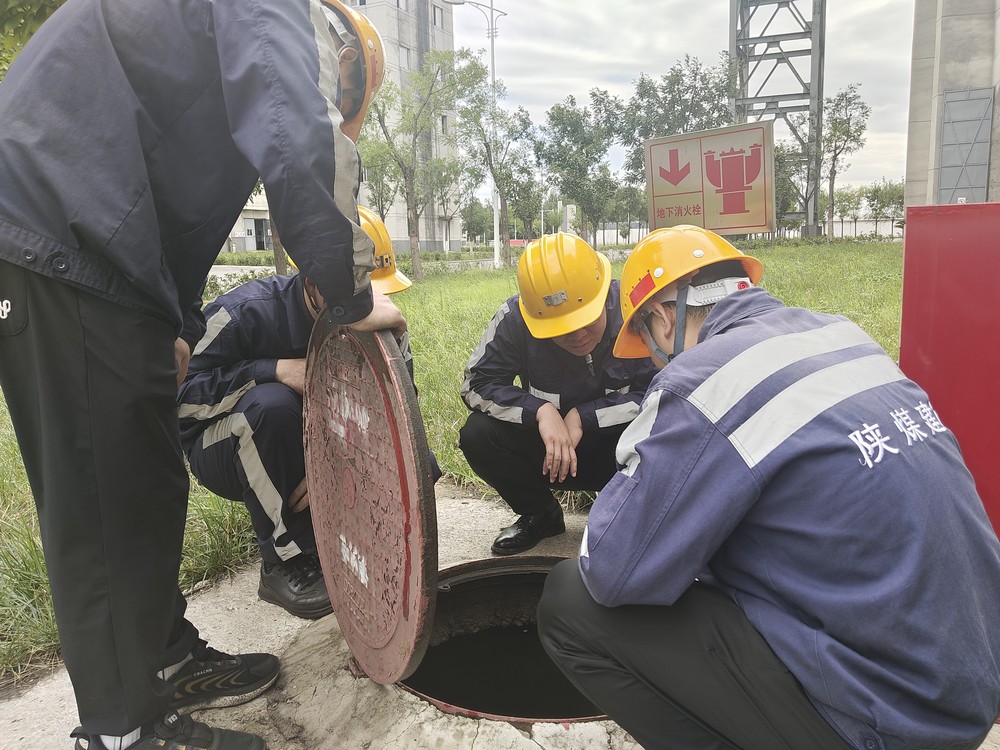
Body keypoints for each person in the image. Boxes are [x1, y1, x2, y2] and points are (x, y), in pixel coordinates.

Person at [0, 1, 402, 749]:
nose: (334, 114)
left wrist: (174, 323)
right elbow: (293, 136)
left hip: (100, 253)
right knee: (102, 499)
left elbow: (164, 182)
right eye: (343, 102)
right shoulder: (273, 9)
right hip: (56, 233)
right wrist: (348, 294)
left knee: (146, 480)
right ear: (340, 55)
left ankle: (163, 657)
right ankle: (123, 731)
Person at [537, 225, 1000, 750]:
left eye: (647, 341)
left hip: (881, 723)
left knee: (569, 602)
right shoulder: (843, 336)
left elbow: (612, 568)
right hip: (965, 694)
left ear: (662, 318)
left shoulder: (707, 379)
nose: (652, 356)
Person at [178, 207, 432, 620]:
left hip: (317, 442)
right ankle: (284, 559)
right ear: (312, 284)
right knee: (271, 407)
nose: (367, 310)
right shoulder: (244, 312)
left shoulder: (378, 321)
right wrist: (272, 370)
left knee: (424, 466)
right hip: (226, 443)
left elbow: (399, 420)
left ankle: (338, 529)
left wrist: (397, 344)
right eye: (355, 301)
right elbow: (178, 399)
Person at [459, 232, 657, 556]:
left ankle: (633, 518)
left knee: (669, 433)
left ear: (604, 293)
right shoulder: (514, 318)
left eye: (587, 320)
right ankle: (541, 514)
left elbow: (665, 390)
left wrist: (585, 417)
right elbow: (477, 383)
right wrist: (539, 411)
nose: (578, 336)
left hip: (619, 451)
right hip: (551, 456)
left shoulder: (637, 310)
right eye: (560, 329)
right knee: (478, 434)